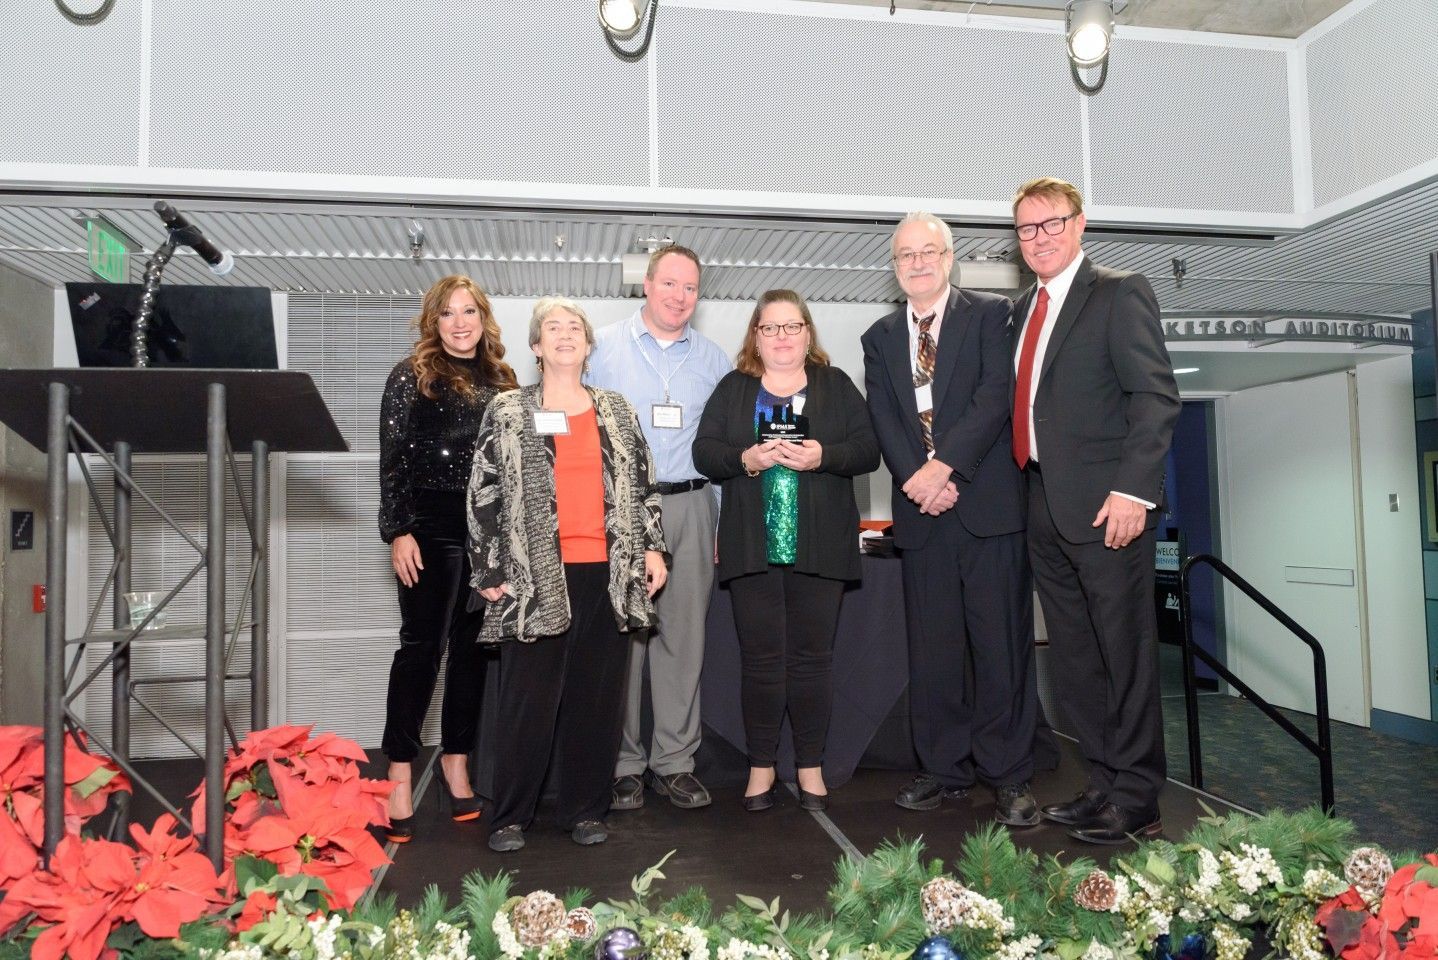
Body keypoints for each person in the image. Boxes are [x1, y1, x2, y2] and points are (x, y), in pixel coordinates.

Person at [1009, 177, 1180, 845]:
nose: (1040, 237)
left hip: (1110, 508)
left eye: (1051, 223)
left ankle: (1138, 797)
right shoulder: (1023, 310)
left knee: (1124, 655)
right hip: (1043, 504)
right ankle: (1104, 782)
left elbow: (1155, 398)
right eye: (1026, 228)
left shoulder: (1119, 292)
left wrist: (1135, 490)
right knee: (1076, 660)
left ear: (1080, 224)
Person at [467, 297, 668, 852]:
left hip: (608, 574)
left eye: (574, 327)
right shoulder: (508, 409)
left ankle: (585, 809)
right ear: (535, 346)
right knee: (526, 703)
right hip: (533, 578)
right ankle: (509, 817)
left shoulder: (617, 410)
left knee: (596, 701)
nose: (564, 334)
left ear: (587, 345)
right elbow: (482, 489)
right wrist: (486, 565)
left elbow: (646, 485)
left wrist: (653, 549)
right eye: (552, 327)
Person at [860, 212, 1041, 827]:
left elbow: (998, 396)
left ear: (949, 256)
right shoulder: (879, 336)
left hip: (987, 507)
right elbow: (884, 416)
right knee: (933, 653)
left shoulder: (992, 314)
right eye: (905, 254)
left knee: (1002, 650)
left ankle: (1009, 775)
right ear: (895, 264)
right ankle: (943, 770)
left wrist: (946, 468)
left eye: (928, 251)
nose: (917, 262)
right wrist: (918, 478)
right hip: (922, 513)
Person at [693, 290, 878, 812]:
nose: (781, 337)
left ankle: (811, 767)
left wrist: (823, 455)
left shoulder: (835, 385)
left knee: (813, 662)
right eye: (770, 328)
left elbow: (869, 450)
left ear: (807, 333)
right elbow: (704, 452)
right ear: (756, 334)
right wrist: (746, 458)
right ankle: (761, 767)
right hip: (753, 545)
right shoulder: (734, 388)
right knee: (761, 663)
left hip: (820, 547)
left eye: (792, 327)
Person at [587, 244, 731, 811]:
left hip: (693, 506)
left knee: (683, 640)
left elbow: (720, 448)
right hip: (621, 512)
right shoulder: (602, 349)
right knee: (624, 640)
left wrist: (717, 520)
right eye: (669, 284)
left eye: (690, 288)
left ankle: (674, 761)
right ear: (645, 285)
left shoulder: (715, 360)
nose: (679, 297)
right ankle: (622, 763)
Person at [377, 274, 516, 843]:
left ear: (483, 319)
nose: (460, 323)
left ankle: (457, 762)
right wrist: (399, 531)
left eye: (469, 313)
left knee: (472, 654)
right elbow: (392, 459)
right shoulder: (412, 375)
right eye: (448, 314)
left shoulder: (502, 381)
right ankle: (399, 772)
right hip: (429, 528)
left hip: (488, 530)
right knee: (420, 650)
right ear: (433, 322)